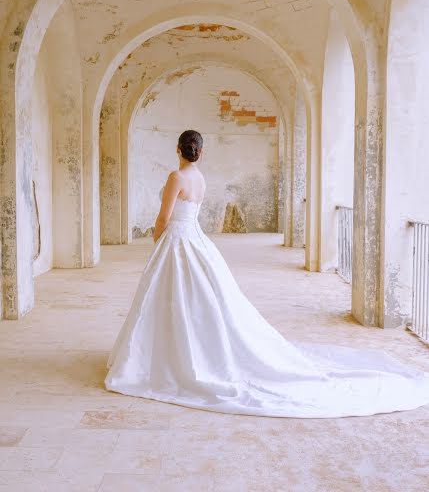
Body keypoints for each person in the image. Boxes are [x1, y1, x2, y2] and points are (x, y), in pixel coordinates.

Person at [105, 129, 429, 418]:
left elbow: (164, 217)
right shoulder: (200, 179)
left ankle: (166, 353)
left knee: (170, 297)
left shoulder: (176, 177)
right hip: (195, 239)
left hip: (177, 239)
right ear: (200, 152)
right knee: (198, 298)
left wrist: (158, 238)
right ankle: (185, 349)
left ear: (178, 150)